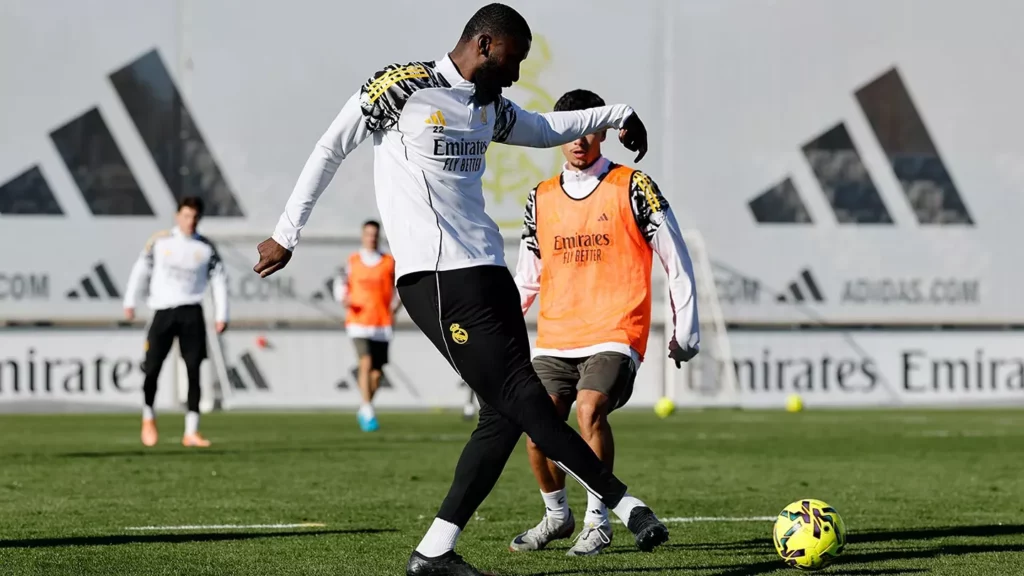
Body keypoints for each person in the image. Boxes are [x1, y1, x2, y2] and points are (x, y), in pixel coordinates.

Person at [252, 4, 667, 574]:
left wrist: (619, 113)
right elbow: (330, 147)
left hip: (489, 272)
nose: (518, 75)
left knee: (501, 417)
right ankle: (625, 503)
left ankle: (434, 552)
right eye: (515, 61)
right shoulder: (401, 88)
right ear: (487, 44)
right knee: (526, 398)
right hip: (437, 278)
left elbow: (547, 128)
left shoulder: (489, 108)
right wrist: (285, 234)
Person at [510, 89, 700, 556]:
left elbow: (675, 257)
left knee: (588, 409)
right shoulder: (540, 197)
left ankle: (598, 520)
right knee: (537, 429)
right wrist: (497, 335)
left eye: (589, 128)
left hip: (615, 332)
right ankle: (557, 515)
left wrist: (686, 329)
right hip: (556, 336)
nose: (580, 139)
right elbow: (526, 279)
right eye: (570, 129)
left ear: (603, 130)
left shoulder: (634, 185)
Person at [123, 196, 228, 448]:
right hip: (163, 311)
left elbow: (219, 281)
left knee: (194, 371)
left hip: (192, 312)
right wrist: (130, 301)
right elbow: (141, 270)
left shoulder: (206, 248)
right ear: (177, 216)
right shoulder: (160, 243)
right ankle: (148, 416)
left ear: (199, 219)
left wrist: (222, 314)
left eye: (194, 217)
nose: (189, 221)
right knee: (152, 369)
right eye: (185, 216)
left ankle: (191, 430)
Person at [332, 219, 401, 432]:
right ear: (363, 236)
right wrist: (343, 298)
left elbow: (398, 288)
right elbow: (340, 284)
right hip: (358, 322)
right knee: (365, 361)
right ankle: (368, 409)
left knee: (377, 374)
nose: (371, 238)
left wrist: (396, 307)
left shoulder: (389, 262)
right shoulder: (353, 261)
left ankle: (365, 406)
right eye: (368, 234)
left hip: (381, 323)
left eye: (374, 234)